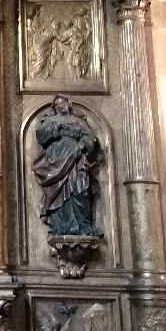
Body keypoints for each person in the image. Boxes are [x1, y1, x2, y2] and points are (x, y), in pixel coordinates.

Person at [32, 94, 103, 237]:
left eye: (63, 103)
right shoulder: (50, 120)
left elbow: (90, 137)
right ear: (54, 107)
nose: (61, 106)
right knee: (58, 191)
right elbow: (41, 135)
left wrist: (82, 144)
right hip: (57, 158)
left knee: (80, 189)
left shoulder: (78, 121)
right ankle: (62, 226)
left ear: (68, 104)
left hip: (76, 157)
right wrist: (55, 126)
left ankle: (83, 225)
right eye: (57, 104)